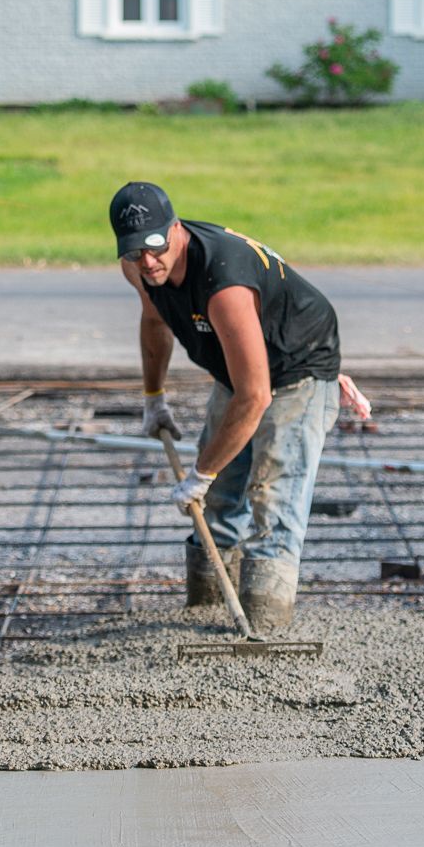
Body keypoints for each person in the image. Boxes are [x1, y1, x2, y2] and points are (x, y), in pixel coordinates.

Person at [112, 181, 368, 635]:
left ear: (175, 229)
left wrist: (199, 473)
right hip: (242, 366)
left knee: (272, 495)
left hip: (299, 365)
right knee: (216, 500)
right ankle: (205, 611)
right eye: (135, 252)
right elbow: (154, 321)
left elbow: (256, 397)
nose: (148, 262)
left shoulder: (222, 281)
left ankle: (265, 631)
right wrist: (154, 399)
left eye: (155, 247)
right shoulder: (138, 268)